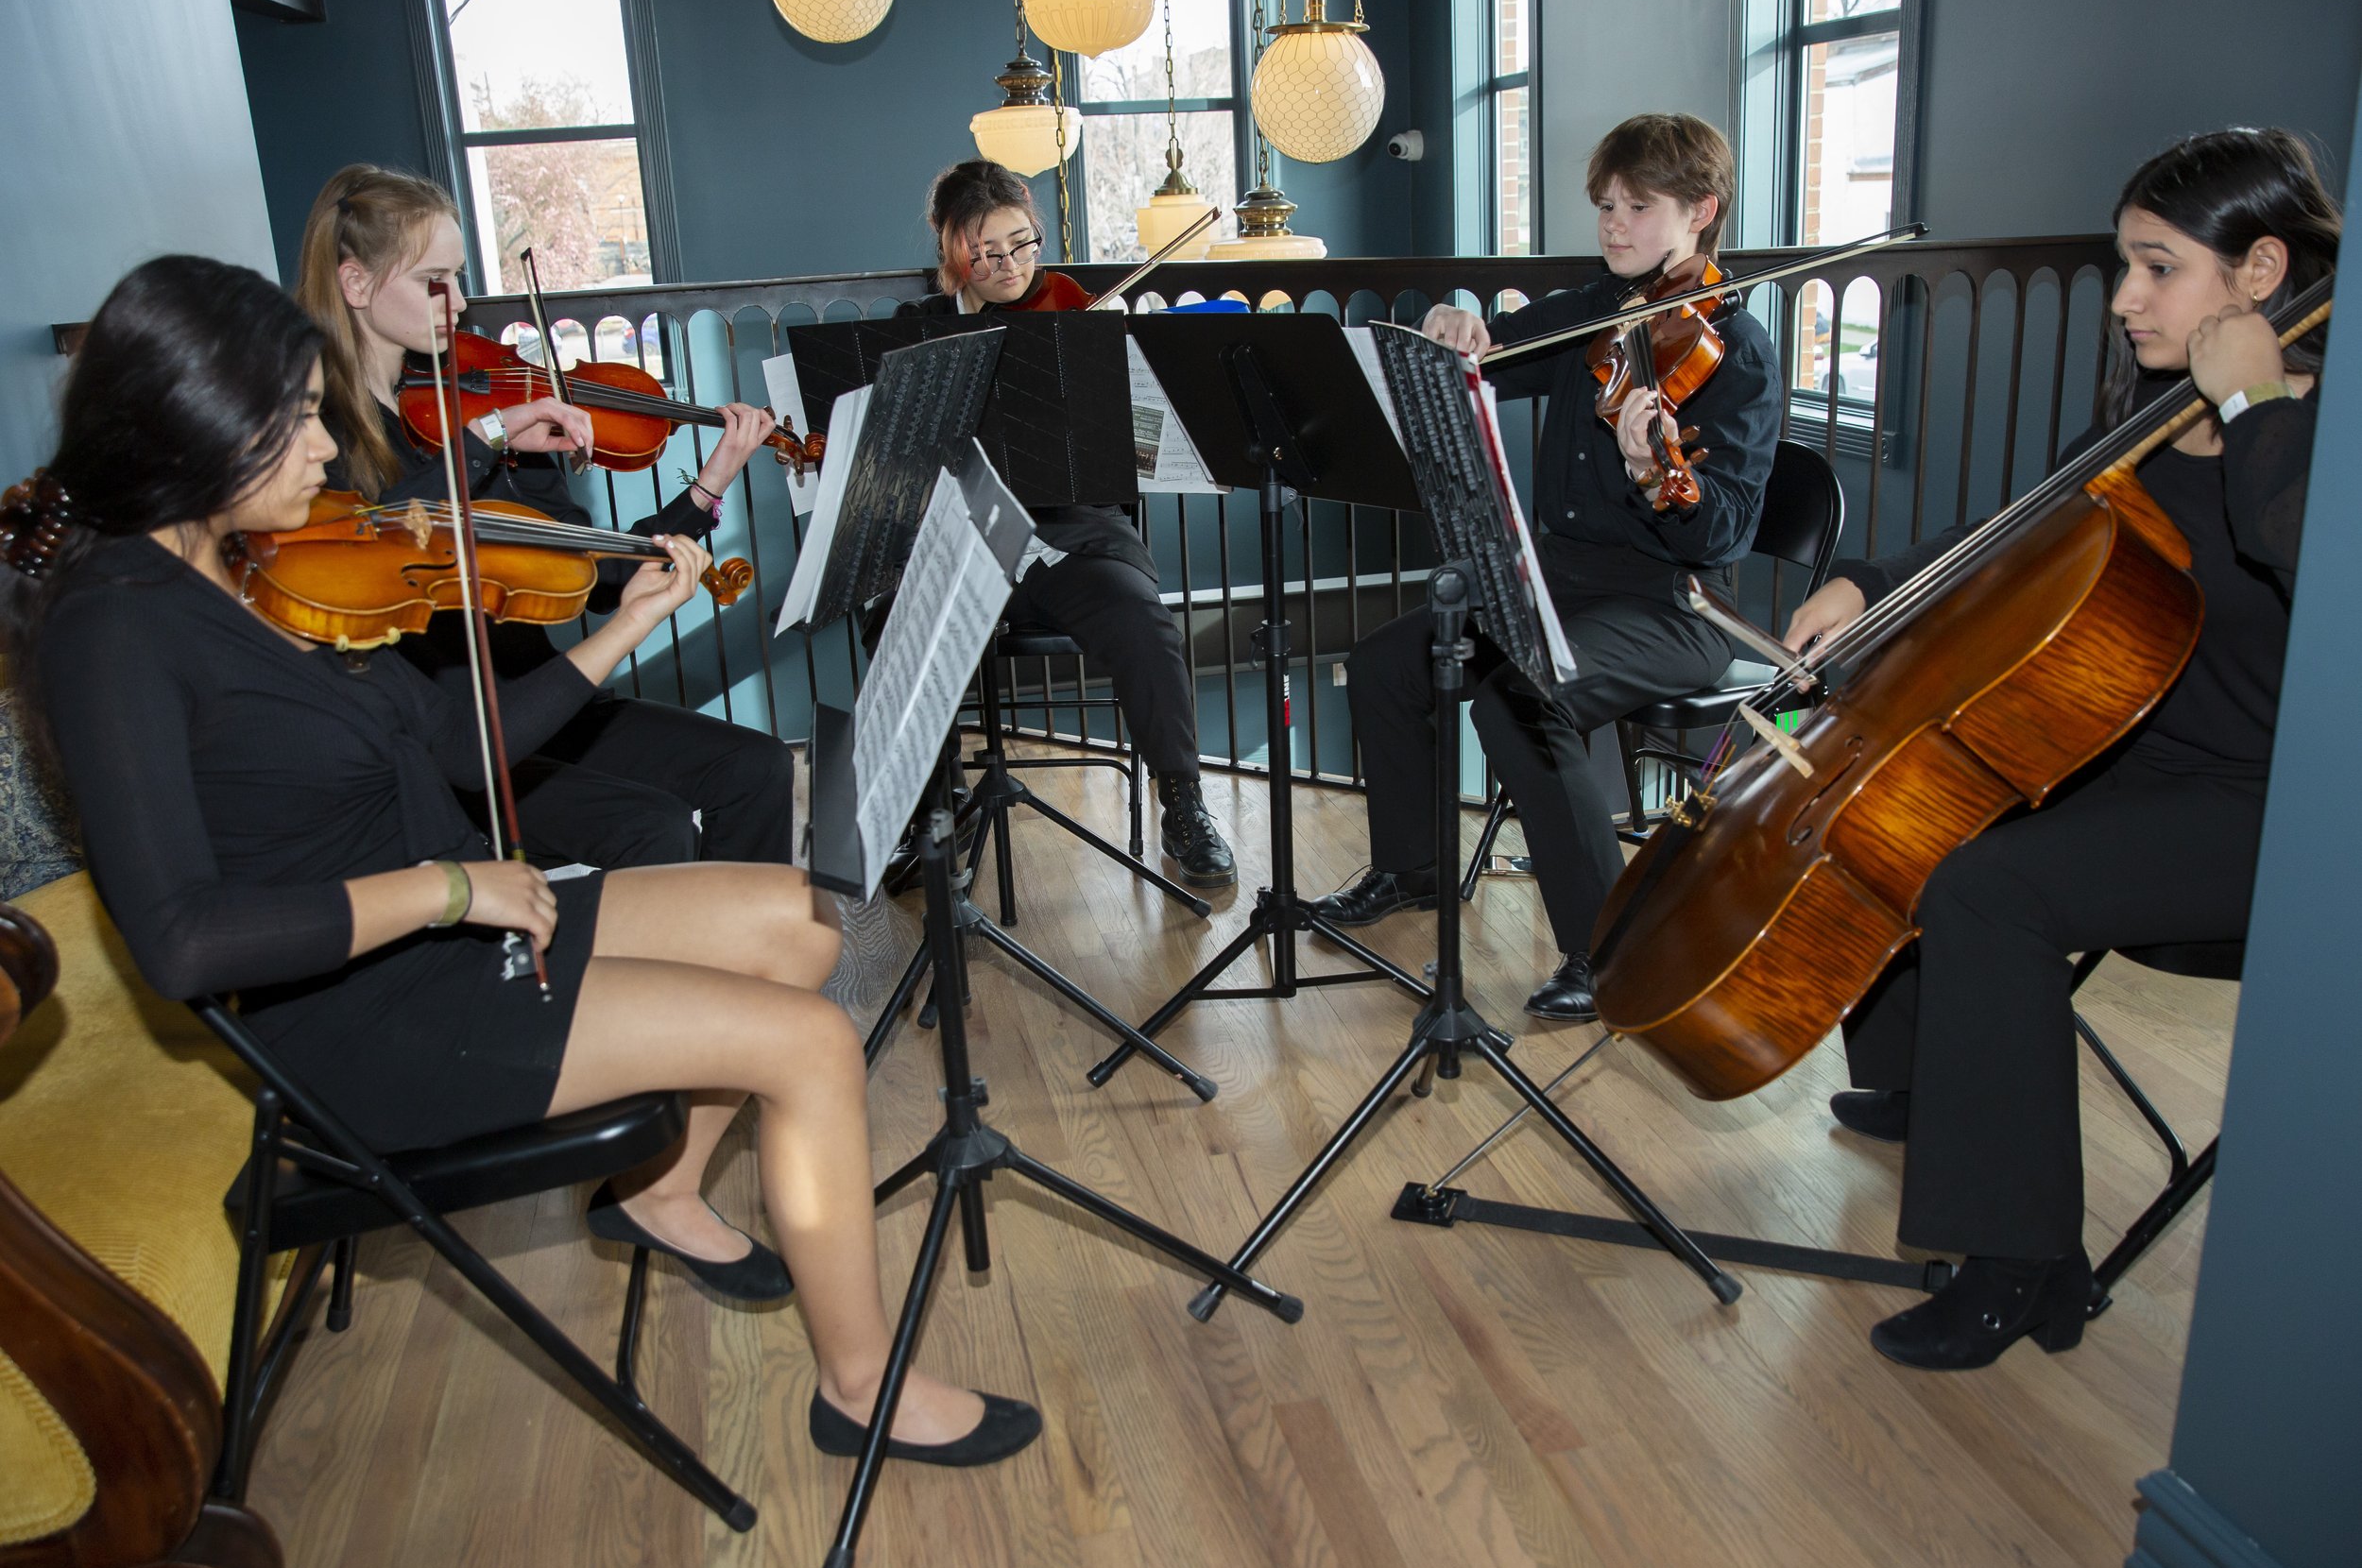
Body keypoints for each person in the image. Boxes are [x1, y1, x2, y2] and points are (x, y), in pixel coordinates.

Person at [5, 255, 1039, 1466]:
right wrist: (451, 888)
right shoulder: (112, 630)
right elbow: (182, 942)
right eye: (289, 421)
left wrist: (626, 627)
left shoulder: (251, 567)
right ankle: (863, 1390)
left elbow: (453, 737)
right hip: (366, 1009)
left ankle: (659, 1192)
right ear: (189, 429)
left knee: (809, 920)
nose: (327, 450)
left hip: (462, 925)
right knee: (807, 1043)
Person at [1779, 127, 2336, 1370]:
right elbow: (2022, 527)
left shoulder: (2305, 422)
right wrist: (1869, 580)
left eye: (2157, 267)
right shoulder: (2154, 405)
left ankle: (2020, 1262)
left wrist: (2253, 397)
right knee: (1909, 802)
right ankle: (1939, 1080)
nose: (2126, 297)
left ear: (2259, 272)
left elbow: (2306, 554)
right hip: (2144, 757)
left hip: (2278, 803)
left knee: (1993, 887)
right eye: (2121, 265)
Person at [1314, 114, 1782, 1019]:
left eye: (1637, 207)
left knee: (1526, 693)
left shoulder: (1740, 357)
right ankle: (1413, 870)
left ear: (1702, 210)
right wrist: (1457, 326)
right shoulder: (1597, 311)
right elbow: (1490, 352)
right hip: (1552, 586)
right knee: (1383, 664)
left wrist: (1656, 473)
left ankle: (1606, 947)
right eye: (1605, 204)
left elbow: (1719, 534)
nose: (1612, 224)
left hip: (1669, 609)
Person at [295, 163, 797, 874]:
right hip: (442, 743)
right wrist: (491, 437)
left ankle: (750, 966)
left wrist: (711, 482)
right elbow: (385, 527)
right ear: (355, 284)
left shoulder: (488, 420)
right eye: (434, 281)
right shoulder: (319, 432)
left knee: (759, 766)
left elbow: (599, 574)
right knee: (651, 827)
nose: (460, 301)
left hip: (542, 702)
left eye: (461, 275)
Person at [899, 159, 1236, 888]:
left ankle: (1184, 804)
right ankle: (931, 806)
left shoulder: (1077, 311)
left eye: (1023, 243)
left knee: (1140, 618)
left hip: (1071, 535)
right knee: (900, 617)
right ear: (951, 254)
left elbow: (1127, 448)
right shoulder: (919, 330)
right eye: (984, 254)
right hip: (964, 541)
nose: (1011, 266)